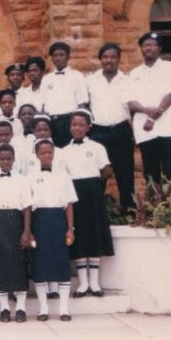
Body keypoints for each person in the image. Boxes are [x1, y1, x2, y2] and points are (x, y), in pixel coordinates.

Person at [126, 31, 171, 186]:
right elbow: (130, 101)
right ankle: (154, 207)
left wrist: (153, 117)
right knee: (150, 170)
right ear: (141, 48)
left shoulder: (170, 67)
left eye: (154, 45)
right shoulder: (134, 73)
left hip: (168, 125)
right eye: (146, 45)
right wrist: (147, 112)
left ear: (159, 49)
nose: (150, 48)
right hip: (145, 129)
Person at [64, 109, 114, 297]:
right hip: (74, 194)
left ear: (88, 127)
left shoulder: (97, 148)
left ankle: (94, 283)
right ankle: (83, 283)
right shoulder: (64, 151)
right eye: (74, 125)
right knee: (79, 236)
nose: (77, 128)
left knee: (94, 236)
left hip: (93, 193)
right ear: (70, 127)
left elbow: (106, 171)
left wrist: (94, 187)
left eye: (81, 125)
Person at [30, 139, 77, 322]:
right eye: (43, 153)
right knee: (40, 265)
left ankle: (64, 309)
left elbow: (69, 205)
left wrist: (70, 229)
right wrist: (30, 231)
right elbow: (28, 206)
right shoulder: (30, 177)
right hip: (39, 221)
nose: (47, 156)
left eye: (50, 152)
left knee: (61, 263)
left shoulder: (63, 176)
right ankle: (43, 309)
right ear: (36, 155)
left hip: (58, 221)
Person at [85, 43, 136, 212]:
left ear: (118, 59)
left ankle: (129, 210)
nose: (109, 60)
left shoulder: (127, 80)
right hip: (98, 131)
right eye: (105, 57)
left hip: (121, 130)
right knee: (98, 173)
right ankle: (97, 212)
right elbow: (85, 105)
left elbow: (133, 107)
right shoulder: (90, 80)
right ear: (100, 59)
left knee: (125, 173)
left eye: (113, 57)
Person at [0, 144, 33, 322]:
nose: (5, 162)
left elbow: (27, 207)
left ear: (14, 160)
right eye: (2, 159)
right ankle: (4, 307)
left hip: (16, 220)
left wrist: (26, 231)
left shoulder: (22, 180)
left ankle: (20, 308)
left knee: (18, 263)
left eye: (8, 159)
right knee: (1, 264)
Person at [41, 43, 89, 147]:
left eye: (61, 55)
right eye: (55, 55)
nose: (58, 58)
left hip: (70, 122)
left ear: (68, 57)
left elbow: (82, 104)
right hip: (52, 123)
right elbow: (44, 106)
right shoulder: (46, 79)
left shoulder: (77, 76)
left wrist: (78, 126)